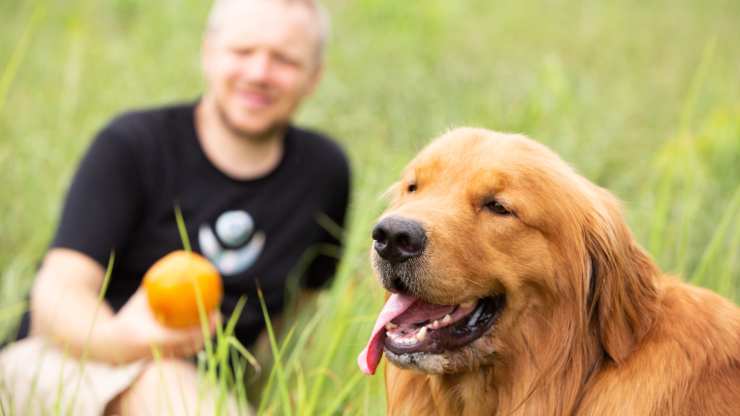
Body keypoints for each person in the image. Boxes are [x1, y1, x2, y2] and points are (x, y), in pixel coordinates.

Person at [0, 0, 350, 414]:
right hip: (61, 362)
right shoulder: (134, 145)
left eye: (285, 60)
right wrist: (124, 341)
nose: (259, 73)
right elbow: (57, 293)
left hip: (199, 392)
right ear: (208, 52)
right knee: (165, 382)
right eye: (242, 51)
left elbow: (294, 319)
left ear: (314, 76)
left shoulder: (324, 173)